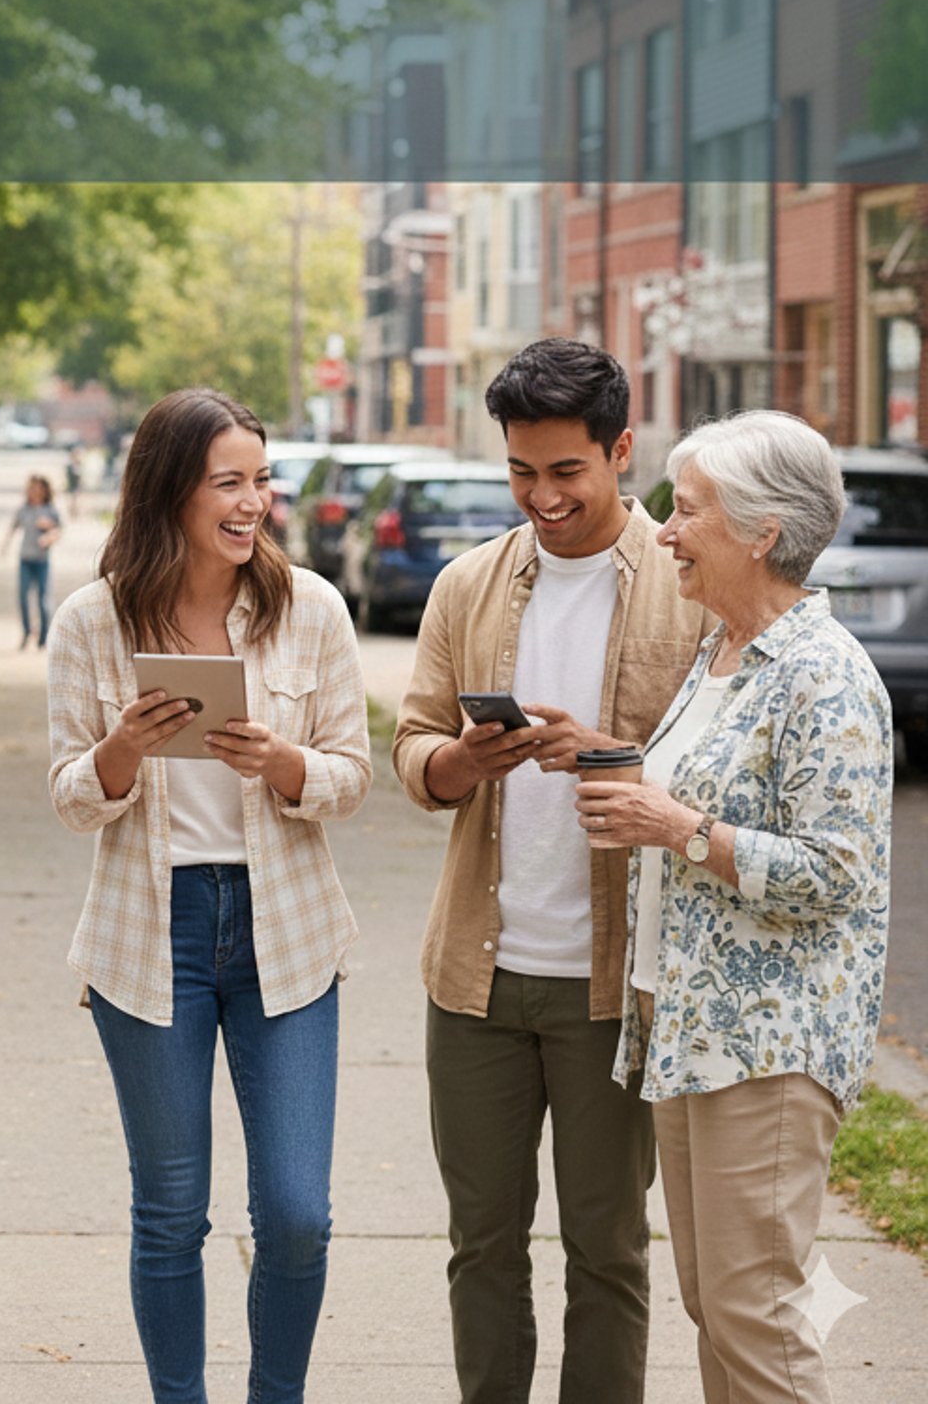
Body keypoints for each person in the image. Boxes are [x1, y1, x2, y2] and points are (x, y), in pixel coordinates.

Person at [393, 337, 711, 1404]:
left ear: (623, 451)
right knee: (481, 1245)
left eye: (566, 471)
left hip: (612, 984)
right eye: (522, 472)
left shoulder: (690, 586)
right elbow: (413, 749)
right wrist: (459, 761)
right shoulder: (468, 584)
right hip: (474, 979)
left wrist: (607, 753)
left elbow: (720, 777)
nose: (543, 496)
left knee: (607, 1251)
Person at [47, 387, 371, 1404]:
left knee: (295, 1213)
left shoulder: (308, 608)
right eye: (228, 483)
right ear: (169, 493)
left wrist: (282, 764)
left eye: (260, 481)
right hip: (155, 935)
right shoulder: (93, 622)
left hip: (286, 929)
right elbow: (69, 797)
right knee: (172, 1211)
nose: (253, 504)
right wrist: (120, 751)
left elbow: (354, 776)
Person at [577, 411, 892, 1403]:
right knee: (719, 1305)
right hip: (692, 1026)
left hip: (769, 1042)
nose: (664, 527)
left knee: (756, 1321)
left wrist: (676, 828)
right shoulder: (723, 652)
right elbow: (696, 798)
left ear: (762, 531)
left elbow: (837, 872)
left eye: (689, 508)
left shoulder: (823, 675)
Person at [2, 473, 63, 649]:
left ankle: (43, 636)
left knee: (43, 599)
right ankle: (27, 631)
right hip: (25, 558)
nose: (34, 491)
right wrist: (5, 546)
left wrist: (49, 534)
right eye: (32, 488)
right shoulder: (24, 509)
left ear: (45, 491)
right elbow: (13, 527)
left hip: (42, 560)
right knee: (23, 596)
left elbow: (59, 531)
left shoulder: (50, 510)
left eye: (38, 488)